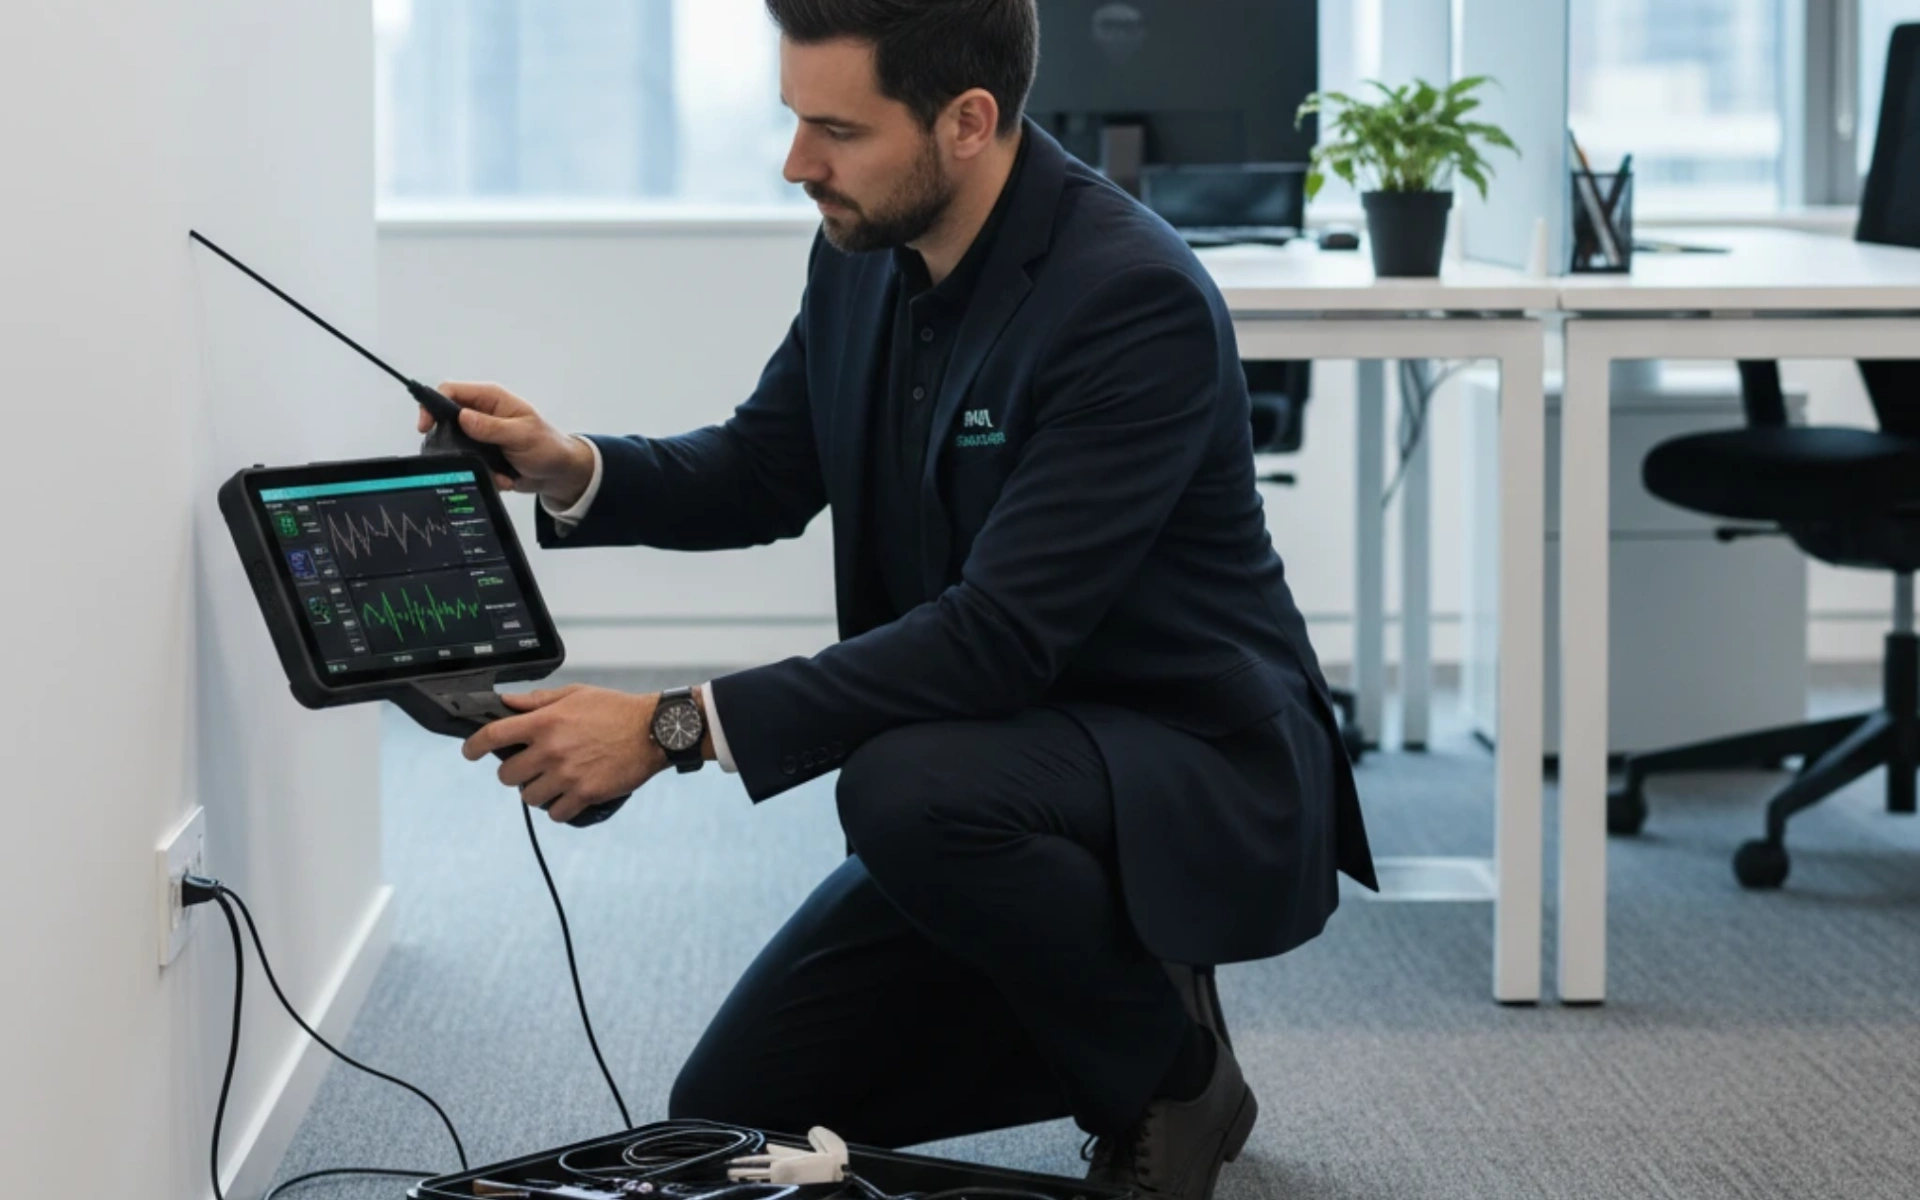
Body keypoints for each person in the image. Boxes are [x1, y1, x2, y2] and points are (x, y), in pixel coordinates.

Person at [435, 3, 1374, 1197]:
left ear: (968, 122)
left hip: (1188, 758)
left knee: (906, 789)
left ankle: (1169, 1076)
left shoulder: (1130, 300)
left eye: (835, 128)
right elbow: (768, 466)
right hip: (1005, 761)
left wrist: (671, 727)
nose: (797, 164)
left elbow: (995, 640)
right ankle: (1110, 979)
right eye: (792, 120)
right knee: (728, 1114)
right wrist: (574, 465)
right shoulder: (864, 248)